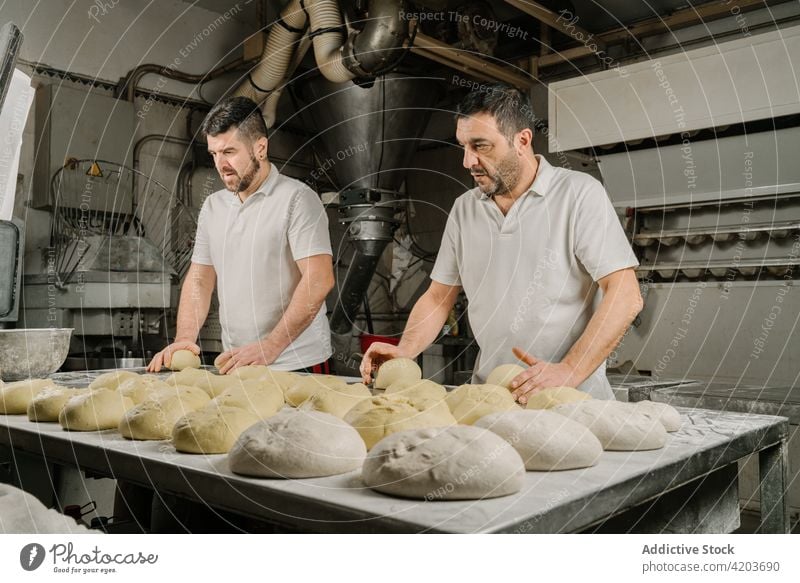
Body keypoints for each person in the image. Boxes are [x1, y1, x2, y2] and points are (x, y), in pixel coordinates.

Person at [360, 84, 642, 404]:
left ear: (522, 140)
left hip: (571, 398)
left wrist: (569, 370)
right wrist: (404, 350)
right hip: (491, 397)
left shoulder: (577, 194)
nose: (468, 161)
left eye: (481, 146)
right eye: (463, 146)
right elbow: (439, 297)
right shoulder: (465, 209)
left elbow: (625, 293)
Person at [148, 96, 334, 374]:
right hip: (239, 360)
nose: (220, 164)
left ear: (260, 147)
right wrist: (185, 339)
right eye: (214, 154)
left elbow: (318, 280)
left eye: (230, 152)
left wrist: (270, 347)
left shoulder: (297, 199)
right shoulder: (214, 206)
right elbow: (200, 279)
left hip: (297, 362)